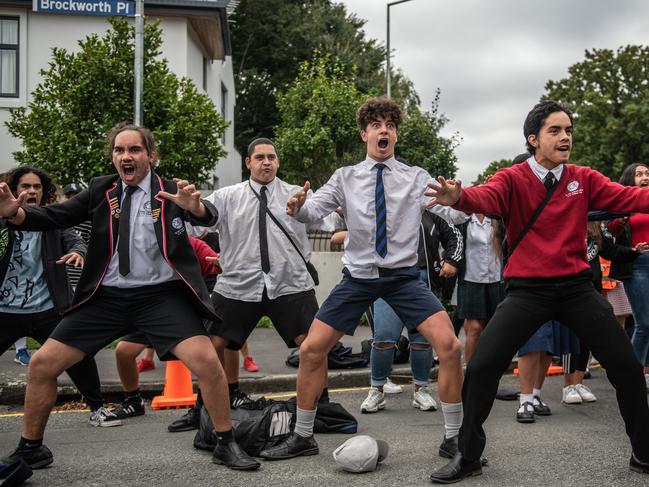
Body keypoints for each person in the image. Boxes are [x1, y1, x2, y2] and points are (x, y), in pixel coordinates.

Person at [0, 123, 259, 472]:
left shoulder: (170, 191)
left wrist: (195, 209)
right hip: (106, 298)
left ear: (150, 155)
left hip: (160, 297)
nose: (126, 156)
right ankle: (31, 449)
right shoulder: (101, 190)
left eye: (134, 150)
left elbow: (208, 215)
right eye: (119, 150)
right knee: (43, 365)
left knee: (207, 363)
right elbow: (54, 216)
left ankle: (225, 442)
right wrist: (14, 213)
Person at [428, 100, 649, 483]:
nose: (565, 137)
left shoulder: (584, 178)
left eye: (568, 131)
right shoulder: (510, 178)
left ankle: (644, 453)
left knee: (628, 367)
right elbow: (483, 197)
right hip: (527, 290)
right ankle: (468, 457)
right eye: (555, 131)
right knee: (481, 368)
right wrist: (458, 198)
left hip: (576, 287)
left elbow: (630, 198)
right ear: (533, 139)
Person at [260, 96, 464, 462]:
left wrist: (455, 199)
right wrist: (296, 207)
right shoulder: (345, 177)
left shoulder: (416, 177)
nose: (383, 130)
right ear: (364, 134)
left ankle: (454, 438)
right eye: (376, 125)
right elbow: (313, 210)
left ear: (396, 135)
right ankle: (303, 435)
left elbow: (457, 212)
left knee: (450, 347)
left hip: (403, 278)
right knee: (310, 350)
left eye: (390, 125)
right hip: (357, 279)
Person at [166, 137, 334, 433]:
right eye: (260, 157)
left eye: (271, 157)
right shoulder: (229, 195)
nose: (266, 162)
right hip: (238, 284)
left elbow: (328, 218)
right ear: (248, 163)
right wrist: (194, 208)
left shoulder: (297, 193)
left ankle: (320, 405)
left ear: (278, 161)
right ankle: (204, 406)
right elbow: (205, 215)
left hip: (290, 283)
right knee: (212, 346)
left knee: (312, 346)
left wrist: (342, 208)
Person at [0, 166, 117, 428]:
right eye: (25, 187)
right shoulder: (4, 221)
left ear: (44, 192)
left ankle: (97, 407)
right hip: (5, 310)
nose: (31, 191)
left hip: (48, 308)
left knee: (79, 356)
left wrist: (80, 253)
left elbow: (74, 239)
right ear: (14, 190)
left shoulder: (51, 223)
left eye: (37, 187)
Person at [360, 211, 462, 415]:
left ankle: (421, 390)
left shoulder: (431, 209)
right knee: (383, 338)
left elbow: (454, 235)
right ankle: (376, 390)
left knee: (422, 340)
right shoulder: (385, 206)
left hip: (424, 279)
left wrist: (451, 260)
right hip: (389, 280)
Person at [111, 235, 221, 420]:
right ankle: (133, 400)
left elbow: (214, 263)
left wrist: (221, 262)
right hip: (150, 308)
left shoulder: (191, 243)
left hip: (182, 311)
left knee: (208, 356)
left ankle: (203, 408)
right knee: (123, 351)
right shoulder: (140, 244)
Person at [608, 163, 649, 387]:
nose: (645, 177)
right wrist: (623, 218)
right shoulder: (625, 204)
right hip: (638, 264)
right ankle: (631, 377)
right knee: (644, 324)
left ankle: (643, 373)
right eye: (639, 174)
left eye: (647, 174)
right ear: (628, 179)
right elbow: (609, 233)